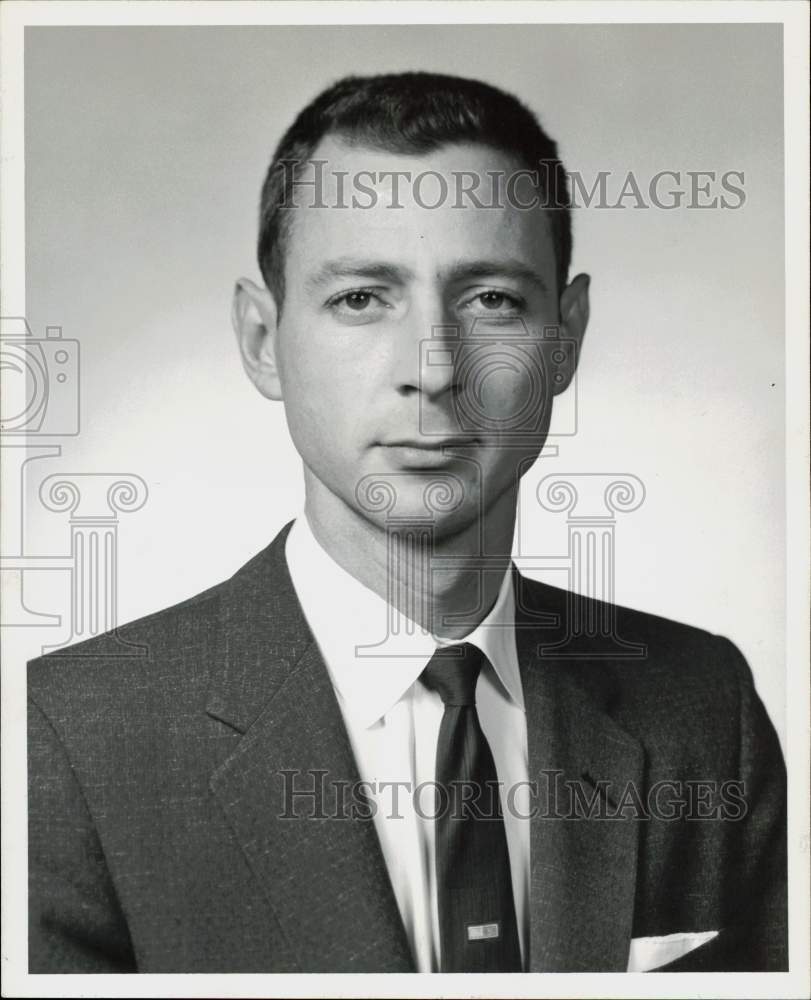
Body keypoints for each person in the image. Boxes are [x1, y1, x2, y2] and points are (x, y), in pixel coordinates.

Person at [27, 71, 787, 974]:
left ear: (567, 340)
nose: (432, 370)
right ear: (263, 341)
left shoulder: (702, 708)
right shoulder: (67, 739)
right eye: (361, 298)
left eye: (490, 300)